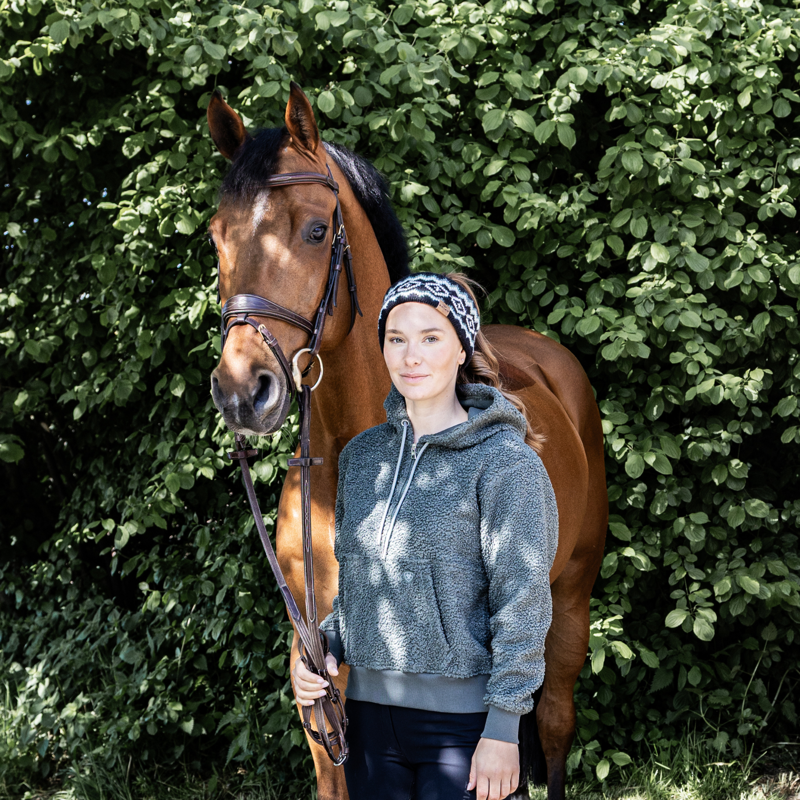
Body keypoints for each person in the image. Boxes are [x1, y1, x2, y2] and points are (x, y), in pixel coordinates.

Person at [291, 271, 558, 800]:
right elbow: (361, 587)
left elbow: (524, 604)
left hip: (464, 727)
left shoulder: (506, 464)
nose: (411, 356)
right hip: (369, 723)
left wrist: (504, 728)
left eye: (431, 338)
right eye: (397, 339)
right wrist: (323, 646)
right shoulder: (363, 459)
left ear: (461, 348)